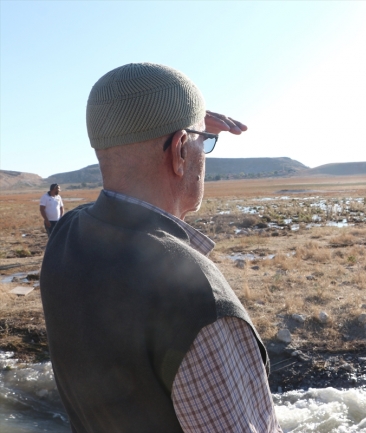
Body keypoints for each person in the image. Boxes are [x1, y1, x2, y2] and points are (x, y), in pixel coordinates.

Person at [40, 63, 282, 432]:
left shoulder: (68, 235)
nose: (206, 155)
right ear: (180, 152)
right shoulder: (197, 296)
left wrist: (182, 122)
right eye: (206, 144)